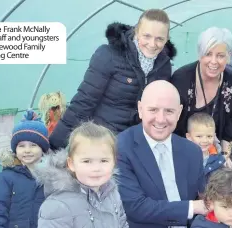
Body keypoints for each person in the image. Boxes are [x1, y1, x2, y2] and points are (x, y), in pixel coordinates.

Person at [49, 9, 176, 150]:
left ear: (167, 38)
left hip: (136, 143)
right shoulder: (109, 55)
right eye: (147, 36)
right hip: (102, 140)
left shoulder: (164, 66)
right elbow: (84, 101)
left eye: (160, 39)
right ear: (136, 31)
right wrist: (55, 145)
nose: (152, 44)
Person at [116, 80, 208, 228]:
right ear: (140, 109)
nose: (160, 119)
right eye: (153, 110)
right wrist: (193, 207)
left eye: (169, 111)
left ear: (180, 111)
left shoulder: (192, 151)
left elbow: (205, 196)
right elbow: (136, 207)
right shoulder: (121, 148)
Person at [171, 27, 232, 162]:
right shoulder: (181, 78)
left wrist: (224, 155)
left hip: (214, 153)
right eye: (208, 54)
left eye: (220, 55)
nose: (214, 61)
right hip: (179, 152)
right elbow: (170, 121)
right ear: (199, 55)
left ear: (228, 56)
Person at [186, 112, 226, 181]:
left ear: (214, 136)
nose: (205, 140)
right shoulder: (183, 158)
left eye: (209, 136)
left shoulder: (218, 159)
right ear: (189, 137)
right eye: (199, 136)